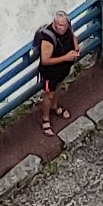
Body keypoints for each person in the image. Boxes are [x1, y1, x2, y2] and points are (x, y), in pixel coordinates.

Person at [32, 9, 79, 151]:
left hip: (62, 69)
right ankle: (45, 119)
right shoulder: (48, 38)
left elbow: (73, 36)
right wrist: (66, 57)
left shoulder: (67, 27)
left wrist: (76, 49)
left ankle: (55, 107)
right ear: (54, 22)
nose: (62, 28)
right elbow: (45, 60)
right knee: (49, 94)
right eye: (59, 25)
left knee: (58, 88)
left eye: (64, 25)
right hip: (50, 73)